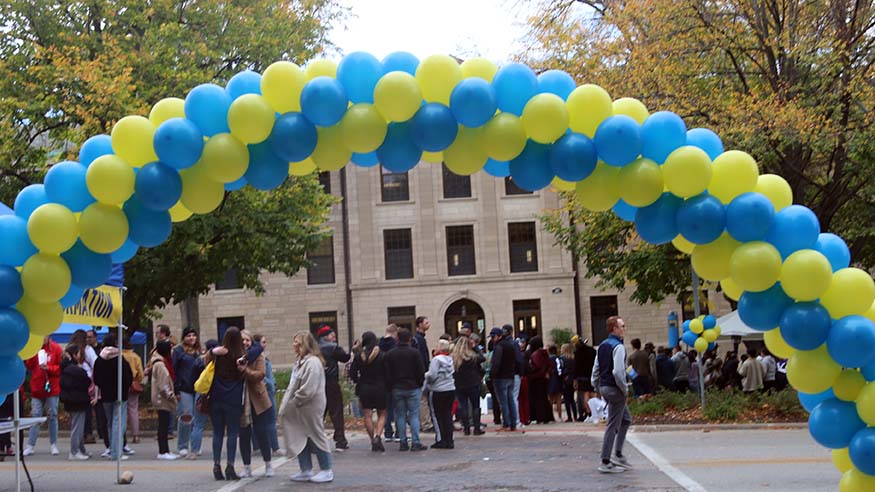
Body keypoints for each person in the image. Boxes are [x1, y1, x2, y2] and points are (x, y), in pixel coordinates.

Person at [281, 331, 335, 483]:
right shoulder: (301, 361)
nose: (294, 345)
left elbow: (308, 389)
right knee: (300, 435)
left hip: (309, 406)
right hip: (302, 406)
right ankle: (306, 469)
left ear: (304, 344)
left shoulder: (312, 363)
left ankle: (326, 469)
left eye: (297, 342)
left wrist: (294, 401)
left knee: (316, 435)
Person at [592, 316, 632, 474]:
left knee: (626, 419)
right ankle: (606, 460)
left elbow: (596, 369)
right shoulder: (619, 347)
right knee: (613, 424)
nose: (624, 328)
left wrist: (597, 385)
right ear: (614, 329)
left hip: (605, 387)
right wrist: (624, 389)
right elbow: (618, 371)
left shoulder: (602, 345)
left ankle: (618, 454)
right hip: (615, 388)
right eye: (622, 326)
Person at [206, 327, 245, 480]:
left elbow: (203, 362)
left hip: (217, 396)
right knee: (233, 433)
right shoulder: (240, 356)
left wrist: (212, 351)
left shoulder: (218, 354)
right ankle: (230, 466)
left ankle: (216, 465)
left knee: (217, 433)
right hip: (234, 398)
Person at [92, 333, 133, 461]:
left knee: (110, 423)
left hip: (106, 396)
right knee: (119, 423)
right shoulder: (120, 359)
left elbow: (96, 379)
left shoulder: (99, 360)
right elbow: (128, 377)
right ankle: (117, 452)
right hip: (120, 395)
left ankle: (111, 449)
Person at [385, 328, 428, 451]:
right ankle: (415, 441)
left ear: (397, 338)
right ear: (409, 339)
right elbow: (421, 370)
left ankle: (403, 441)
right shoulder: (414, 353)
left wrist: (390, 386)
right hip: (412, 386)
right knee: (414, 414)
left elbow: (387, 373)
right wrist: (419, 384)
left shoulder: (391, 354)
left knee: (400, 415)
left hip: (397, 387)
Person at [238, 329, 273, 478]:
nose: (245, 342)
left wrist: (244, 371)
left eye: (247, 340)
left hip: (258, 398)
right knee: (244, 434)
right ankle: (246, 467)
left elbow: (260, 375)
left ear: (251, 342)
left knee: (261, 432)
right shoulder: (233, 356)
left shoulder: (257, 355)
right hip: (240, 400)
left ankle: (268, 464)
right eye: (242, 340)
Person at [349, 331, 389, 452]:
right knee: (382, 413)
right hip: (380, 387)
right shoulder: (382, 355)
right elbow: (388, 372)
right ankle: (378, 436)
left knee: (367, 415)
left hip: (365, 388)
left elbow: (352, 373)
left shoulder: (358, 357)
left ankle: (372, 439)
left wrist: (358, 381)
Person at [23, 335, 62, 456]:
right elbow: (29, 365)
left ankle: (53, 444)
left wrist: (49, 368)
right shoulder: (36, 348)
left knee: (52, 415)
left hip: (52, 388)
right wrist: (33, 353)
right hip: (37, 388)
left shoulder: (56, 349)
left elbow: (61, 368)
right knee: (35, 415)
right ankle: (30, 445)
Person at [316, 325, 350, 451]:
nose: (334, 337)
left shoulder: (314, 348)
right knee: (336, 411)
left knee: (319, 413)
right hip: (331, 383)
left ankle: (315, 440)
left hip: (318, 383)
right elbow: (345, 358)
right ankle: (340, 440)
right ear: (326, 336)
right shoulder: (333, 347)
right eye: (332, 335)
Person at [60, 345, 93, 460]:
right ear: (74, 355)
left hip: (72, 400)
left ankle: (81, 449)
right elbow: (86, 381)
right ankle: (74, 451)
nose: (80, 355)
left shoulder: (66, 368)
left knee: (79, 425)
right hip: (78, 400)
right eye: (78, 353)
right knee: (77, 427)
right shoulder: (75, 370)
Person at [172, 326, 201, 457]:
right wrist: (176, 389)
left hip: (198, 387)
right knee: (186, 415)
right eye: (189, 335)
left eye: (193, 335)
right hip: (184, 387)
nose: (191, 338)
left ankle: (195, 445)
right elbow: (174, 370)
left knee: (197, 417)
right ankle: (182, 445)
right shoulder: (178, 351)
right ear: (184, 337)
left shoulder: (199, 351)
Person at [253, 334, 283, 457]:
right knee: (270, 420)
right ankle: (275, 447)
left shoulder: (260, 358)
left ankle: (257, 447)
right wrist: (271, 384)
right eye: (263, 342)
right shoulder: (261, 359)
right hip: (266, 391)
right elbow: (264, 376)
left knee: (259, 422)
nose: (265, 345)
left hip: (262, 391)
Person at [451, 334, 485, 436]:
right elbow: (482, 358)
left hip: (459, 384)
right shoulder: (472, 357)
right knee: (475, 405)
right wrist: (476, 348)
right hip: (473, 383)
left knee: (463, 405)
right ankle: (477, 428)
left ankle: (466, 428)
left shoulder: (455, 358)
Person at [150, 340, 178, 460]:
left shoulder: (159, 362)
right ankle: (163, 451)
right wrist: (171, 395)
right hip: (162, 399)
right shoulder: (160, 365)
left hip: (162, 398)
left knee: (164, 424)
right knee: (163, 425)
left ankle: (165, 450)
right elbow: (163, 384)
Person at [426, 339, 455, 449]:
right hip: (450, 388)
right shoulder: (449, 359)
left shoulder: (436, 360)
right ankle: (449, 439)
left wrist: (426, 377)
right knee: (447, 415)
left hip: (438, 389)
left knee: (438, 415)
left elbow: (432, 375)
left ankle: (441, 439)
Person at [489, 327, 518, 431]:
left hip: (500, 377)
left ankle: (507, 423)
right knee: (510, 400)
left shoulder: (499, 346)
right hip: (510, 375)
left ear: (499, 336)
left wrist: (492, 374)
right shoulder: (510, 345)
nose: (492, 339)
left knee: (503, 402)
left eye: (493, 337)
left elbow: (496, 362)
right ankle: (513, 423)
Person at [527, 336, 555, 424]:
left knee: (537, 399)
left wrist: (530, 370)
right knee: (544, 398)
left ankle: (540, 417)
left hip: (536, 378)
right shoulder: (545, 353)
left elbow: (535, 366)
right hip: (544, 378)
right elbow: (550, 365)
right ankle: (547, 417)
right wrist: (547, 373)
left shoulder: (535, 354)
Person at [122, 336, 144, 445]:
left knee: (121, 410)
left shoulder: (119, 356)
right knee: (133, 409)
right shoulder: (135, 357)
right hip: (133, 382)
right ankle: (136, 435)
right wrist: (137, 380)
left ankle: (122, 434)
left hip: (121, 384)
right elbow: (141, 373)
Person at [413, 317, 433, 432]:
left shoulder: (420, 339)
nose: (428, 324)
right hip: (422, 373)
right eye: (426, 322)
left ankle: (423, 422)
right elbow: (421, 357)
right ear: (420, 325)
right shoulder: (419, 339)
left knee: (422, 399)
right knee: (423, 399)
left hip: (423, 372)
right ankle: (425, 423)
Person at [573, 336, 596, 422]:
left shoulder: (577, 353)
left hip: (582, 377)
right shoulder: (592, 351)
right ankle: (595, 411)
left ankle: (589, 413)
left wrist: (574, 379)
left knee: (585, 395)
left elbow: (576, 367)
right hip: (592, 375)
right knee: (593, 394)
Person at [559, 343, 578, 422]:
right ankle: (575, 416)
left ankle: (569, 416)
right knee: (572, 399)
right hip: (572, 379)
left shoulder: (562, 358)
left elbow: (561, 369)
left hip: (565, 379)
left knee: (566, 399)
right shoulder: (573, 358)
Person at [515, 335, 530, 427]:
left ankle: (523, 418)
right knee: (523, 399)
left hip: (522, 377)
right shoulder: (523, 355)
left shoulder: (522, 355)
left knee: (521, 399)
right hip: (523, 377)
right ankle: (525, 418)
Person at [546, 345, 564, 420]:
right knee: (558, 399)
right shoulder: (558, 358)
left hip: (550, 380)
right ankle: (559, 416)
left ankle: (550, 416)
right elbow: (560, 369)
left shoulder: (548, 358)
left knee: (550, 399)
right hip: (557, 380)